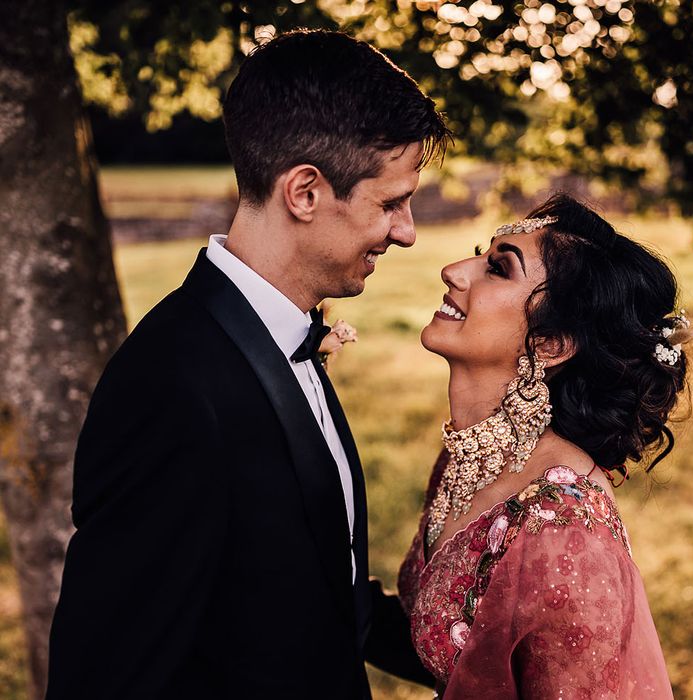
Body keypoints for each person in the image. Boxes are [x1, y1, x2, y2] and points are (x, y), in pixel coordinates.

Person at [46, 30, 449, 700]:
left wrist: (487, 660)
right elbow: (105, 675)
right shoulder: (169, 386)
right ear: (305, 193)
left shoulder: (285, 334)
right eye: (391, 202)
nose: (406, 231)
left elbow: (323, 587)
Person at [397, 194, 690, 698]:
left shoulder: (564, 537)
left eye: (497, 269)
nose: (452, 271)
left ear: (550, 343)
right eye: (477, 253)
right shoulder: (469, 456)